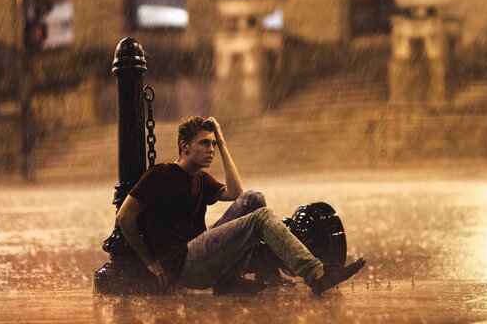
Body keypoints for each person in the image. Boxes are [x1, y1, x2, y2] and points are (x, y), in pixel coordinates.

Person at [116, 116, 365, 295]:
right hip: (184, 264)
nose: (210, 149)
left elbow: (237, 193)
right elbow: (124, 217)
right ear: (184, 146)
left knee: (254, 199)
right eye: (205, 143)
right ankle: (317, 275)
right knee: (261, 217)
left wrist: (224, 143)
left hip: (199, 253)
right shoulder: (162, 174)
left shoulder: (200, 178)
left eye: (213, 144)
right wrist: (151, 262)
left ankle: (230, 280)